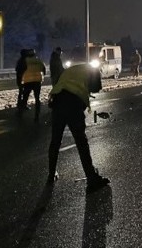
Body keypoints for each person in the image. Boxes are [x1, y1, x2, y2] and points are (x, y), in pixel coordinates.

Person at [47, 62, 110, 192]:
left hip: (57, 101)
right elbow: (95, 87)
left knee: (55, 140)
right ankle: (92, 178)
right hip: (72, 103)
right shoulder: (93, 71)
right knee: (81, 142)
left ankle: (51, 174)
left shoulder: (72, 70)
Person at [17, 49, 47, 121]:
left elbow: (20, 70)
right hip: (37, 81)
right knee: (37, 98)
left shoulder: (25, 61)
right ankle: (37, 114)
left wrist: (21, 80)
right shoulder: (38, 60)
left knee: (25, 97)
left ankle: (21, 113)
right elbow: (44, 69)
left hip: (28, 81)